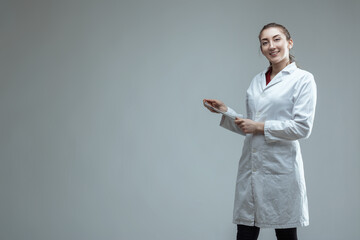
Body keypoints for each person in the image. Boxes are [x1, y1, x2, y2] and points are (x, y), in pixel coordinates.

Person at [203, 23, 317, 240]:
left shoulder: (303, 79)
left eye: (276, 39)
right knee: (245, 232)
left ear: (289, 43)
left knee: (285, 234)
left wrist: (260, 126)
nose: (271, 46)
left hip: (280, 171)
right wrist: (225, 111)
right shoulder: (257, 80)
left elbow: (302, 127)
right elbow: (251, 128)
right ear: (262, 48)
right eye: (265, 42)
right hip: (252, 169)